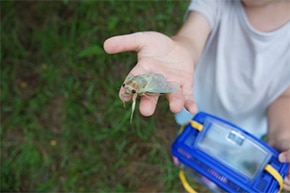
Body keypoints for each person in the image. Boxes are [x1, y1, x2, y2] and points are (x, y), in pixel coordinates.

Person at [104, 0, 290, 190]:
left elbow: (284, 96)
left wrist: (283, 137)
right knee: (194, 140)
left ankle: (215, 173)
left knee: (229, 160)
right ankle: (192, 159)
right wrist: (179, 50)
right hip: (200, 109)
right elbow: (190, 39)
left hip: (245, 129)